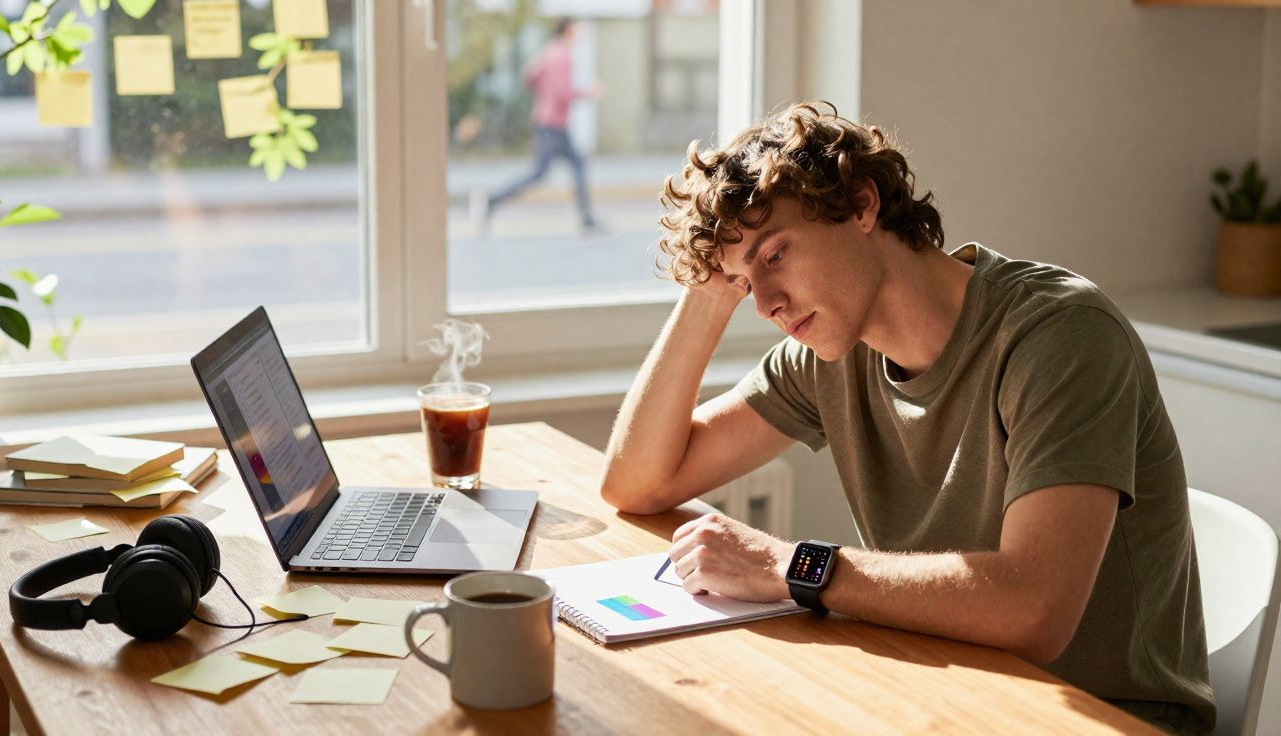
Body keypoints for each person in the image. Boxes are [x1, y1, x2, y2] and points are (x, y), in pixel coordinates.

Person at [600, 101, 1215, 734]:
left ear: (862, 205)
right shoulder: (829, 352)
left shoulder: (1057, 335)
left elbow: (1035, 610)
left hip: (1100, 718)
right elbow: (637, 482)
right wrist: (710, 286)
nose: (765, 304)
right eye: (741, 281)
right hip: (941, 696)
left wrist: (789, 566)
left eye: (776, 254)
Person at [478, 18, 603, 235]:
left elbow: (529, 77)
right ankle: (493, 200)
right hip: (554, 124)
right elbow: (563, 94)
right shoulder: (563, 56)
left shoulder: (549, 51)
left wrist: (542, 97)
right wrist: (588, 92)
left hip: (546, 121)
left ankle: (587, 219)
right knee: (541, 173)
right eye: (577, 29)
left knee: (573, 166)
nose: (580, 34)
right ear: (569, 30)